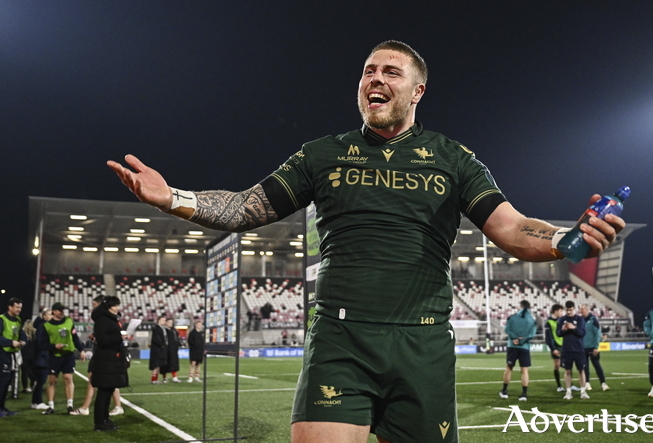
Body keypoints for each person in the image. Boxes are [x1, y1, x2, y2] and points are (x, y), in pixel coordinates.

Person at [108, 40, 625, 443]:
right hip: (340, 340)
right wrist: (172, 196)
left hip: (422, 344)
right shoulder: (321, 154)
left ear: (417, 91)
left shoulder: (454, 159)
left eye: (390, 72)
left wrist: (566, 238)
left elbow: (511, 228)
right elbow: (246, 207)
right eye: (368, 72)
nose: (374, 79)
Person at [71, 296, 123, 416]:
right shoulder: (107, 319)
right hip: (106, 356)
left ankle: (88, 408)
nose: (93, 307)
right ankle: (114, 407)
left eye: (95, 304)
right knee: (106, 383)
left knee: (99, 381)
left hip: (105, 356)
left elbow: (106, 338)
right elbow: (106, 337)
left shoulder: (106, 319)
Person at [39, 302, 86, 414]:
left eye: (63, 310)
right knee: (52, 380)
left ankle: (70, 405)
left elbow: (75, 337)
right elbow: (41, 344)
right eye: (59, 310)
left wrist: (81, 350)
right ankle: (51, 406)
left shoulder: (69, 321)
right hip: (54, 356)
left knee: (68, 379)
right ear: (53, 311)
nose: (62, 312)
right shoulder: (46, 326)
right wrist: (54, 346)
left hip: (68, 355)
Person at [91, 296, 129, 431]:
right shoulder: (103, 320)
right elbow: (102, 340)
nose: (118, 308)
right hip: (106, 360)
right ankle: (100, 422)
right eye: (115, 305)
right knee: (104, 391)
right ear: (108, 307)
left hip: (111, 359)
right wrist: (119, 337)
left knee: (108, 390)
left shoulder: (112, 319)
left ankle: (105, 420)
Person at [499, 300, 536, 401]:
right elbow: (532, 334)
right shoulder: (531, 319)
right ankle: (524, 394)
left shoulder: (512, 317)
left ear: (520, 306)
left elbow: (507, 329)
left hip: (512, 346)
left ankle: (504, 391)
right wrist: (522, 341)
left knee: (509, 368)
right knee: (524, 371)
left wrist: (515, 338)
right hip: (524, 347)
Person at [557, 301, 588, 400]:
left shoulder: (580, 320)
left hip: (578, 349)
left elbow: (582, 333)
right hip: (566, 349)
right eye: (567, 310)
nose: (569, 312)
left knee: (581, 370)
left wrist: (573, 328)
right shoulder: (562, 320)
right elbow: (558, 333)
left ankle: (583, 391)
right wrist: (563, 330)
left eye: (570, 310)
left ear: (574, 309)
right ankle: (568, 392)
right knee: (567, 371)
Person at [0, 297, 26, 417]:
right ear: (10, 307)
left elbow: (20, 333)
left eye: (20, 307)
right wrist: (11, 342)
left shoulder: (18, 320)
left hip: (11, 354)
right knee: (2, 382)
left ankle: (3, 408)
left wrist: (22, 340)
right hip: (2, 353)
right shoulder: (2, 319)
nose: (19, 310)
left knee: (6, 382)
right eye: (17, 307)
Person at [580, 304, 609, 391]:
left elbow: (597, 334)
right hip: (583, 347)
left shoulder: (593, 319)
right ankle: (587, 383)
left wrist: (596, 347)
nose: (581, 311)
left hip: (592, 347)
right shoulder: (580, 320)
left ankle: (603, 383)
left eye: (582, 309)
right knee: (585, 367)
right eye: (580, 309)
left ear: (587, 309)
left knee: (597, 365)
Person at [29, 308, 51, 410]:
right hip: (41, 358)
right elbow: (40, 342)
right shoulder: (43, 326)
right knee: (41, 381)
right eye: (50, 314)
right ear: (45, 316)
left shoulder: (40, 325)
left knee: (39, 381)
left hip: (39, 357)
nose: (52, 316)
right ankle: (38, 402)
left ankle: (34, 402)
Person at [544, 304, 567, 392]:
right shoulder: (548, 322)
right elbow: (548, 338)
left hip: (564, 345)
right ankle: (559, 386)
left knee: (567, 366)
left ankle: (570, 385)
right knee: (557, 365)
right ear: (556, 311)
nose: (562, 313)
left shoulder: (562, 321)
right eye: (561, 311)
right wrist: (553, 349)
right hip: (556, 346)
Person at [149, 315, 168, 384]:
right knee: (156, 365)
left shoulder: (162, 328)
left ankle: (155, 379)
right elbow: (156, 339)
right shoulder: (156, 329)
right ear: (158, 320)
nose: (164, 321)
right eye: (163, 320)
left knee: (158, 365)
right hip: (157, 350)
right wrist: (162, 344)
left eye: (164, 320)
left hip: (160, 349)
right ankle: (153, 380)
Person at [162, 318, 181, 383]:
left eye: (171, 322)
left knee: (174, 363)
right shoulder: (164, 330)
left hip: (173, 350)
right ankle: (164, 377)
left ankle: (175, 377)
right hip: (166, 349)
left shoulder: (174, 330)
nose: (170, 323)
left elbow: (177, 339)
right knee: (165, 364)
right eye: (169, 322)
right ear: (166, 322)